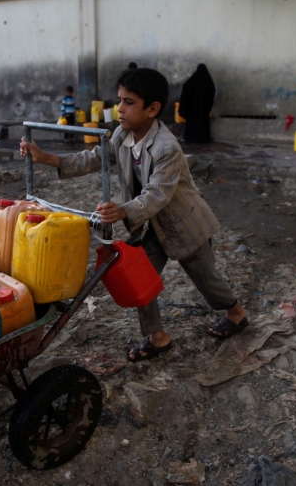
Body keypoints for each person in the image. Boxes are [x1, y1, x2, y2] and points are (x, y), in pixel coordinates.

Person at [20, 68, 248, 362]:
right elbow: (95, 158)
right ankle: (158, 337)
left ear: (152, 109)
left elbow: (156, 195)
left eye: (129, 102)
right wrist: (46, 157)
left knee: (206, 277)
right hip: (150, 225)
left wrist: (122, 211)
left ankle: (236, 313)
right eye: (119, 100)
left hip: (184, 223)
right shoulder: (120, 134)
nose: (120, 108)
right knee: (142, 280)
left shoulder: (167, 148)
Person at [178, 63, 216, 143]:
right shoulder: (208, 83)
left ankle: (190, 139)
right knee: (202, 127)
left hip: (191, 112)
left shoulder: (190, 83)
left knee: (192, 126)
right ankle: (202, 140)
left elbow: (185, 90)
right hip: (203, 112)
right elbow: (212, 93)